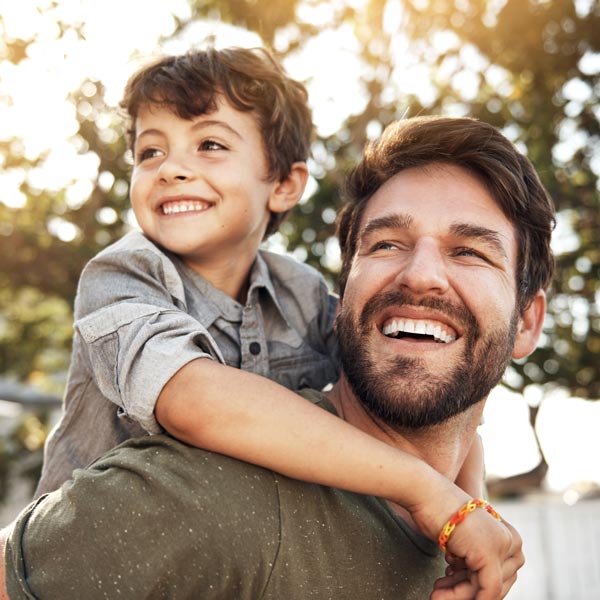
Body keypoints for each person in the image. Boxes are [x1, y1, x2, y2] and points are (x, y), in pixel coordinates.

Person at [1, 114, 555, 599]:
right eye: (385, 244)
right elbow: (190, 397)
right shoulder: (203, 500)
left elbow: (462, 437)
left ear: (528, 321)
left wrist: (465, 506)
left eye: (470, 251)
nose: (420, 274)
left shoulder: (462, 537)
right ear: (345, 303)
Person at [31, 44, 497, 562]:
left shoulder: (302, 293)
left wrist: (466, 502)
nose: (170, 169)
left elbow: (414, 385)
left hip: (227, 559)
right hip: (92, 561)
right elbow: (192, 401)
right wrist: (425, 489)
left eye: (209, 144)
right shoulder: (124, 274)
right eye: (150, 152)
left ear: (284, 184)